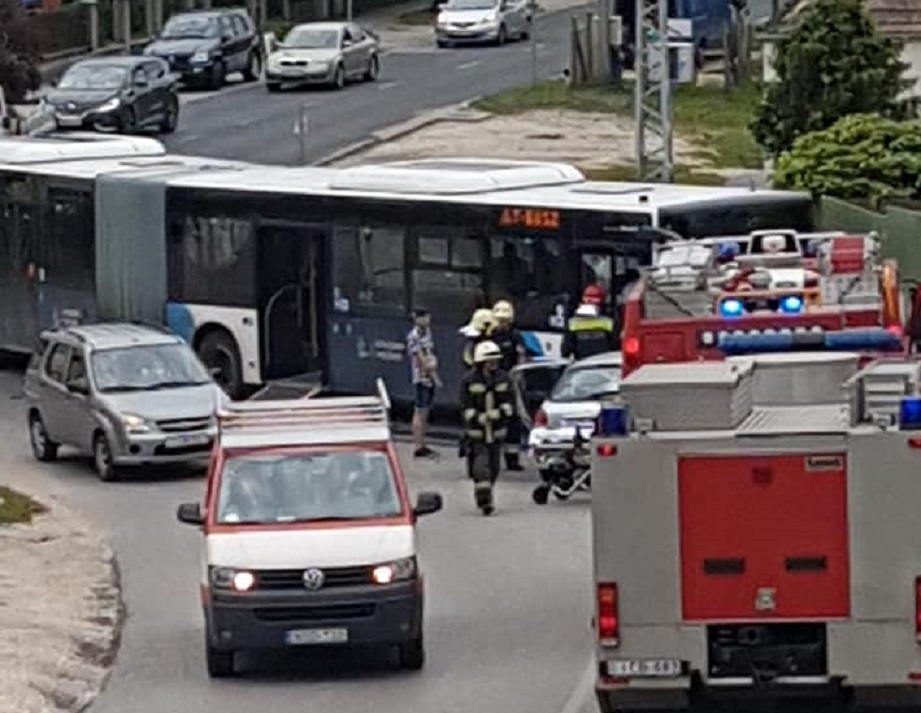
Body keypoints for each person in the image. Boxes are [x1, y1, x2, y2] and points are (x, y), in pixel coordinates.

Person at [459, 341, 516, 515]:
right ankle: (485, 501)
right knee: (481, 466)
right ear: (480, 362)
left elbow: (510, 403)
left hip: (497, 431)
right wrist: (479, 417)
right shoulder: (469, 380)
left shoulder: (504, 379)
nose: (494, 363)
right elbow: (464, 406)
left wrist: (499, 414)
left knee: (494, 468)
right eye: (490, 360)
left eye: (495, 360)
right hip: (477, 432)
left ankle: (486, 490)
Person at [490, 300, 526, 471]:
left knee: (513, 421)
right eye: (500, 320)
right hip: (492, 382)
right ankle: (491, 457)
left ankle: (512, 459)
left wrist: (518, 373)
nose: (503, 323)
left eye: (505, 320)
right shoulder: (490, 335)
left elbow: (521, 355)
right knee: (494, 419)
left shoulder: (515, 336)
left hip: (511, 381)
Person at [406, 308, 439, 458]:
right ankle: (418, 446)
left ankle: (423, 443)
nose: (428, 320)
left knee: (426, 411)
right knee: (420, 410)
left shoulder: (427, 332)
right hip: (421, 378)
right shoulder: (414, 336)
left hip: (429, 377)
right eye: (425, 317)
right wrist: (433, 376)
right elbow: (420, 358)